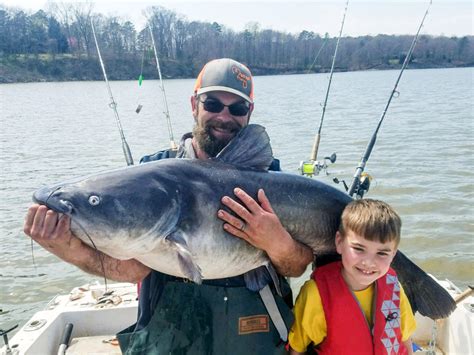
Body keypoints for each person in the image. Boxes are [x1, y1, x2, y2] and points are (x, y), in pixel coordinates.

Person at [24, 58, 313, 354]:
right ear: (194, 104)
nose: (224, 117)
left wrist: (277, 243)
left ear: (249, 112)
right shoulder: (150, 173)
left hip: (257, 336)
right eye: (213, 104)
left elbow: (297, 265)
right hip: (171, 340)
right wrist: (67, 247)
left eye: (237, 108)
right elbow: (133, 270)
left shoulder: (273, 180)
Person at [288, 199, 416, 355]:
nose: (368, 262)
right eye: (358, 248)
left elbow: (405, 339)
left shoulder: (393, 287)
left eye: (382, 253)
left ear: (393, 254)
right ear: (339, 242)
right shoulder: (316, 295)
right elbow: (297, 349)